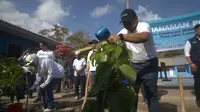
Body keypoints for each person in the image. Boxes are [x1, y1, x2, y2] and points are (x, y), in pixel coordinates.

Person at [108, 9, 160, 112]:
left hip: (150, 64)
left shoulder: (144, 26)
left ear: (136, 18)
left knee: (151, 96)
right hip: (133, 66)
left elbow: (143, 37)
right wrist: (107, 42)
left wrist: (121, 37)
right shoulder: (122, 32)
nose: (126, 25)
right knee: (132, 94)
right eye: (124, 23)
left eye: (129, 22)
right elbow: (113, 40)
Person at [184, 24, 200, 108]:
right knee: (198, 83)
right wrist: (191, 63)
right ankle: (198, 99)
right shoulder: (190, 41)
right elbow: (186, 53)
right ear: (196, 31)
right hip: (196, 66)